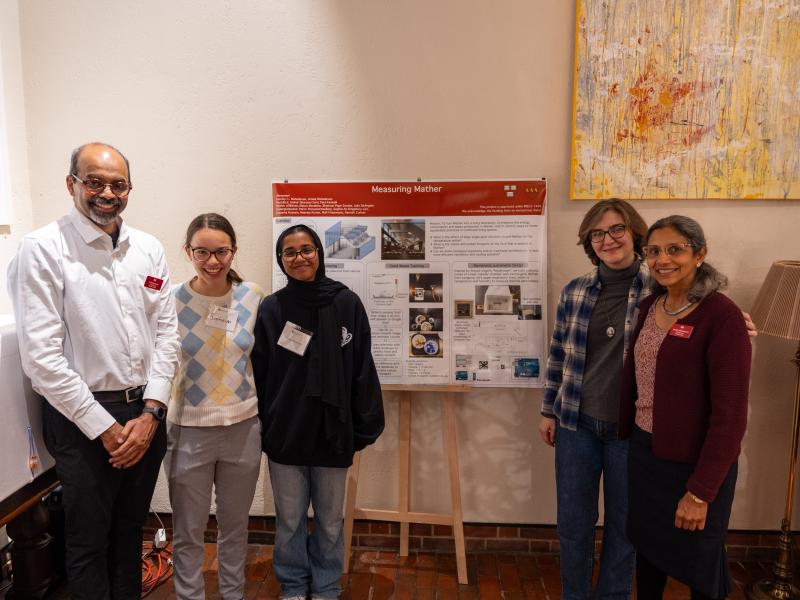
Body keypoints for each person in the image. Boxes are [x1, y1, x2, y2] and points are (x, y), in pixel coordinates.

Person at [6, 142, 180, 598]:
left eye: (118, 184)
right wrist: (103, 428)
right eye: (95, 182)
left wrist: (151, 414)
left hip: (145, 413)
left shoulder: (148, 248)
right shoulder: (42, 249)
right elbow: (42, 359)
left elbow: (167, 335)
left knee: (129, 536)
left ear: (129, 189)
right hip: (81, 417)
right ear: (72, 184)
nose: (107, 192)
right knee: (85, 544)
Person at [619, 215, 751, 599]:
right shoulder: (650, 306)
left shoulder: (722, 316)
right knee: (649, 557)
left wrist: (700, 493)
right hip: (647, 457)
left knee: (699, 565)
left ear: (700, 254)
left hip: (696, 466)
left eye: (675, 249)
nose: (663, 259)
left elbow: (730, 418)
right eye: (654, 251)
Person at [252, 224, 385, 600]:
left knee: (329, 521)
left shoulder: (345, 303)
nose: (299, 258)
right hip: (287, 432)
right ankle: (294, 585)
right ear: (281, 260)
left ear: (319, 254)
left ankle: (326, 586)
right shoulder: (272, 308)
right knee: (290, 520)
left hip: (333, 432)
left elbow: (361, 367)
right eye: (290, 252)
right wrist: (265, 424)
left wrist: (364, 426)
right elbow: (260, 372)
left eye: (306, 249)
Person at [539, 199, 647, 599]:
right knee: (573, 524)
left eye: (617, 229)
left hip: (631, 431)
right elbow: (558, 354)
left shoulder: (660, 290)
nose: (608, 239)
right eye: (597, 233)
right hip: (576, 426)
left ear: (635, 232)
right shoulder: (575, 292)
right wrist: (548, 409)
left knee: (624, 526)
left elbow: (705, 314)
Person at [165, 213, 264, 599]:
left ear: (233, 251)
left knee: (235, 527)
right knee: (188, 531)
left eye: (221, 251)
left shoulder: (252, 296)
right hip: (188, 431)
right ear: (188, 252)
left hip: (243, 428)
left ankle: (232, 594)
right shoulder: (170, 299)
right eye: (201, 252)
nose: (212, 261)